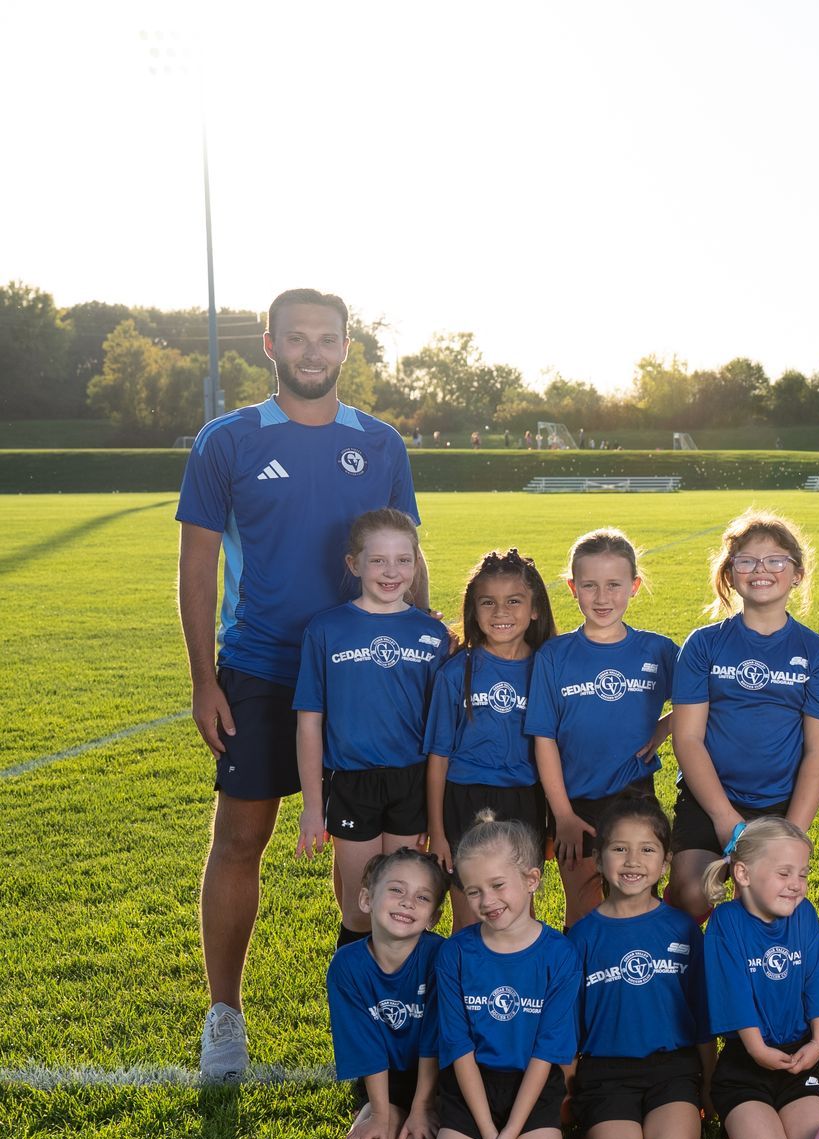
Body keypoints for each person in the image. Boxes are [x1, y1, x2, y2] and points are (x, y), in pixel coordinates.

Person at [176, 287, 421, 1081]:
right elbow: (197, 565)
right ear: (270, 345)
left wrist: (425, 660)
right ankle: (224, 1016)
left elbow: (406, 557)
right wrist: (203, 680)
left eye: (327, 338)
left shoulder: (380, 443)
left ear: (347, 346)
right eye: (297, 338)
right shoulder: (228, 440)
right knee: (240, 838)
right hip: (260, 669)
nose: (313, 352)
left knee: (375, 858)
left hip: (364, 677)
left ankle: (384, 1020)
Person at [668, 511, 819, 916]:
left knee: (764, 902)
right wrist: (723, 817)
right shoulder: (704, 644)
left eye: (776, 561)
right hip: (709, 797)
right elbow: (688, 738)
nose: (761, 570)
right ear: (730, 574)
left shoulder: (818, 653)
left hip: (778, 804)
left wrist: (791, 834)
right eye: (747, 561)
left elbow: (818, 751)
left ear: (797, 574)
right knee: (693, 892)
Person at [291, 509, 449, 947]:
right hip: (351, 782)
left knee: (404, 905)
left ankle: (408, 990)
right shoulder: (327, 629)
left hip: (411, 782)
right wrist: (311, 806)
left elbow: (442, 729)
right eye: (378, 560)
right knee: (362, 908)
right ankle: (353, 988)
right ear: (354, 564)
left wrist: (435, 808)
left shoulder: (432, 635)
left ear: (416, 564)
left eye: (403, 560)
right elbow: (309, 723)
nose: (391, 571)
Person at [525, 529, 676, 924]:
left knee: (636, 901)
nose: (602, 597)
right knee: (584, 907)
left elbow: (703, 702)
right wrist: (563, 815)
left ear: (634, 586)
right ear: (573, 588)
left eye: (614, 585)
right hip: (575, 803)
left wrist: (663, 728)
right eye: (590, 585)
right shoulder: (554, 656)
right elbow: (544, 739)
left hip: (635, 796)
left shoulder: (657, 650)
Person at [429, 814, 579, 1139]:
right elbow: (459, 1047)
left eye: (498, 885)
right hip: (472, 1086)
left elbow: (548, 1050)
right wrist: (487, 1131)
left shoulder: (560, 955)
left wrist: (509, 1134)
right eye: (473, 891)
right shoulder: (455, 953)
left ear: (531, 880)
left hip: (532, 1084)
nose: (487, 901)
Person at [567, 800, 708, 1139]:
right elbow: (565, 1028)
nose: (633, 861)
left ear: (665, 863)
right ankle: (606, 1122)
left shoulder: (682, 929)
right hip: (606, 1071)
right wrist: (563, 1093)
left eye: (647, 850)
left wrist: (709, 1083)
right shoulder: (580, 938)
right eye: (619, 849)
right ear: (598, 860)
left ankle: (671, 1114)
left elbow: (703, 1014)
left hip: (672, 1067)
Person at [425, 549, 556, 930]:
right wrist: (437, 832)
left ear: (534, 609)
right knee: (470, 916)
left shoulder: (547, 668)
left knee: (519, 917)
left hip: (524, 800)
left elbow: (556, 752)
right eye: (488, 602)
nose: (500, 612)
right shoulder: (456, 672)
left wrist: (552, 823)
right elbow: (438, 757)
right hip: (464, 798)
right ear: (473, 609)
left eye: (513, 601)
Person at [702, 818, 819, 1139]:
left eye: (803, 874)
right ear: (743, 874)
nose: (796, 885)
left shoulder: (804, 914)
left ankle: (776, 1124)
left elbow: (818, 982)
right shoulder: (726, 922)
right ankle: (744, 1134)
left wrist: (818, 1043)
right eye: (784, 873)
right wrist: (758, 1049)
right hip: (745, 1063)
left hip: (797, 1062)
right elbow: (735, 994)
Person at [325, 848, 448, 1139]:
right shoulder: (347, 966)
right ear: (366, 899)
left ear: (434, 917)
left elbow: (433, 1042)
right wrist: (380, 1115)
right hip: (386, 1084)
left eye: (422, 897)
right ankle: (380, 1112)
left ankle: (423, 1114)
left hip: (437, 1083)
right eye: (396, 890)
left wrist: (423, 1108)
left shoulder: (442, 958)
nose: (407, 903)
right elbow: (365, 1048)